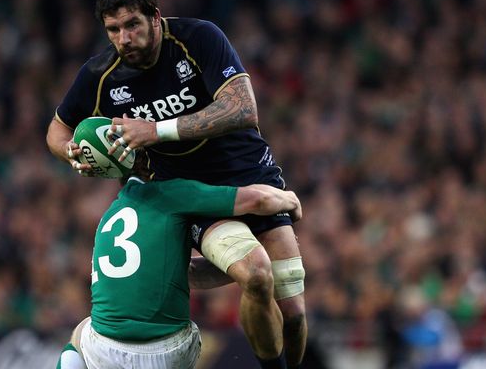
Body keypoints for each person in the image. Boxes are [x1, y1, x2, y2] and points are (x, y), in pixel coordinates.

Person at [47, 0, 307, 368]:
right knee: (255, 274)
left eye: (132, 24)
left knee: (295, 313)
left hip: (249, 172)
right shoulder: (101, 74)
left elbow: (242, 109)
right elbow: (57, 128)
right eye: (113, 30)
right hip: (191, 194)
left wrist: (155, 130)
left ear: (156, 17)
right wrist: (71, 153)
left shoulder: (199, 39)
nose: (123, 38)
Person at [56, 150, 303, 369]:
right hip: (170, 351)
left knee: (81, 333)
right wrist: (289, 200)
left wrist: (239, 268)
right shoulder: (172, 192)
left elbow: (179, 274)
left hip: (105, 350)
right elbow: (257, 200)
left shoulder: (109, 215)